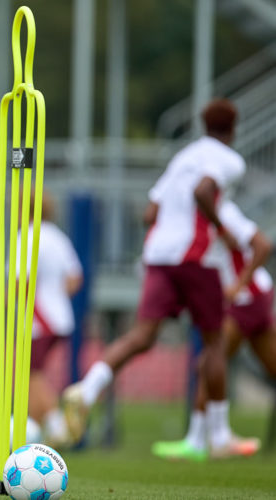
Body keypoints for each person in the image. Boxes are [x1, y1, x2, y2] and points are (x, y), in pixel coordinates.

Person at [62, 98, 248, 457]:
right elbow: (203, 191)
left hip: (158, 255)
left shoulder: (184, 157)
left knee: (143, 335)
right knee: (215, 344)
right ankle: (220, 435)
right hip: (195, 256)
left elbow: (150, 213)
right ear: (233, 128)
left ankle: (86, 389)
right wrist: (222, 230)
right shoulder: (229, 160)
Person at [152, 199, 272, 460]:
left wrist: (239, 285)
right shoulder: (187, 218)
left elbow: (263, 245)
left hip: (247, 299)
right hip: (248, 299)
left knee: (208, 360)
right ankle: (202, 439)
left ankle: (196, 441)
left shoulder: (224, 211)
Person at [0, 189, 83, 448]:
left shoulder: (26, 237)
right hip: (60, 317)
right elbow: (75, 279)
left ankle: (55, 423)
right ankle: (51, 425)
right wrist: (56, 297)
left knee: (22, 373)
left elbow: (21, 280)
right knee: (31, 372)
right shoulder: (57, 236)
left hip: (39, 319)